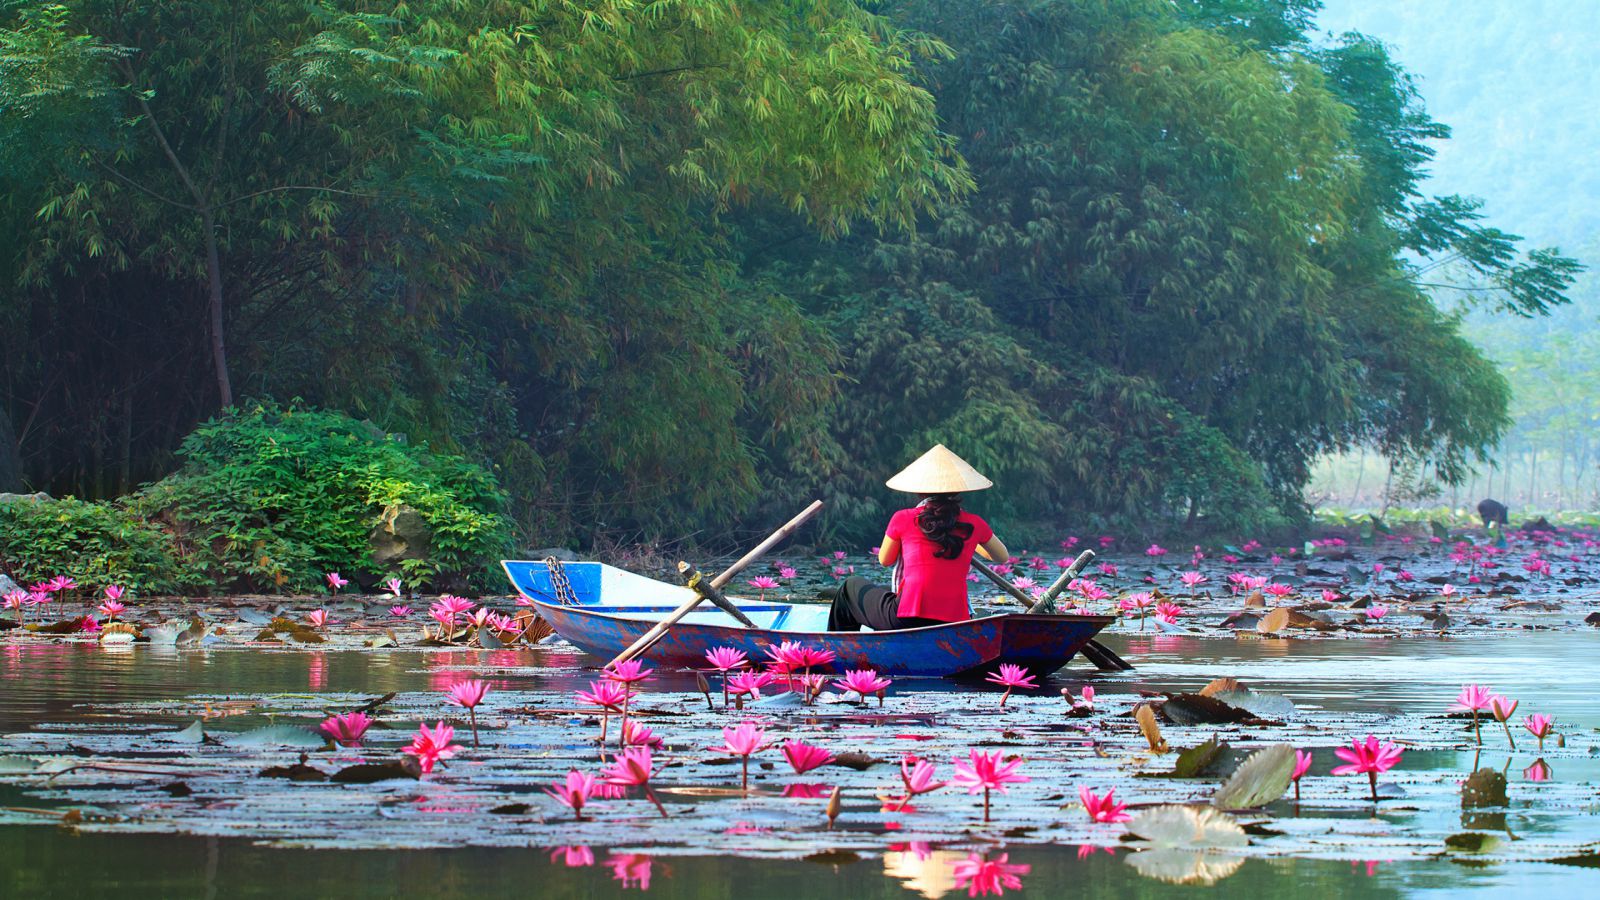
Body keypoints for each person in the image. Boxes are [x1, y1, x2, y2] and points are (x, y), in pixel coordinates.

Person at [827, 444, 1009, 631]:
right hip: (955, 621)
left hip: (908, 618)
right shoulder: (974, 524)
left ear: (919, 490)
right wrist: (969, 539)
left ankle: (841, 648)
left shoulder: (903, 517)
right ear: (958, 490)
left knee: (850, 587)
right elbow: (1001, 556)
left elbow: (885, 560)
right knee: (883, 592)